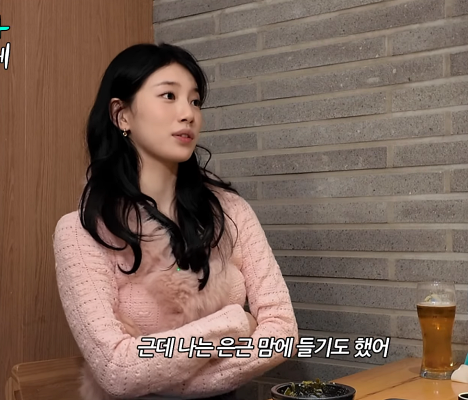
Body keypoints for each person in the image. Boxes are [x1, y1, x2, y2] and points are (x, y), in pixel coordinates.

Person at [52, 43, 298, 400]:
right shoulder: (82, 232)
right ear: (122, 115)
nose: (188, 114)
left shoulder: (232, 212)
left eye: (195, 101)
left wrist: (165, 378)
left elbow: (282, 332)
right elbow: (117, 369)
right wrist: (233, 324)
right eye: (169, 96)